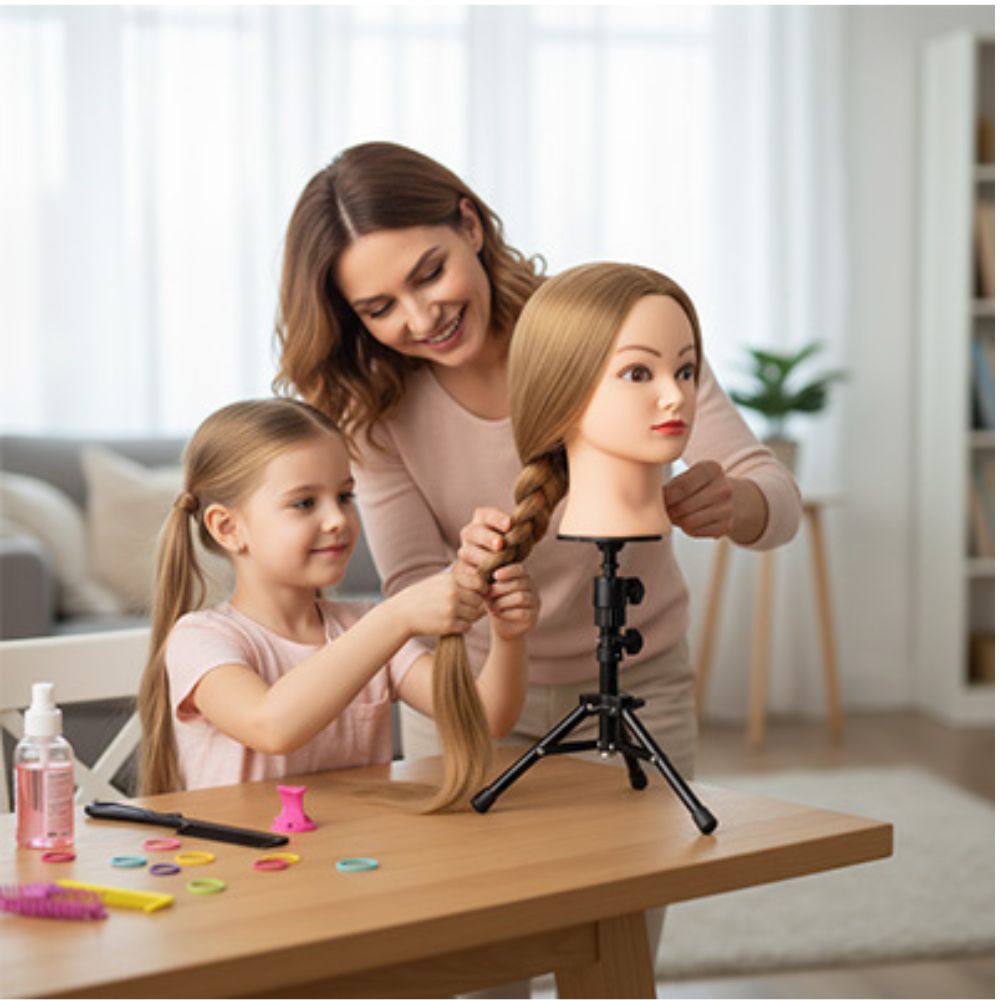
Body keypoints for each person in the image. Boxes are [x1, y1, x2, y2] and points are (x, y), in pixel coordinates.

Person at [273, 141, 801, 788]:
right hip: (470, 695)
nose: (421, 317)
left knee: (635, 886)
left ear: (470, 225)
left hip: (638, 684)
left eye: (430, 273)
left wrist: (735, 503)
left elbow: (774, 496)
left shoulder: (612, 323)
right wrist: (466, 578)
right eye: (379, 309)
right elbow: (412, 586)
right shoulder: (375, 408)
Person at [137, 398, 538, 796]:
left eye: (345, 497)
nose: (337, 520)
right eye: (304, 503)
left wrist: (508, 634)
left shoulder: (364, 626)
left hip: (355, 857)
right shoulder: (201, 639)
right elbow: (271, 726)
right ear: (227, 528)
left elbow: (486, 719)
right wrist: (396, 618)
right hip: (244, 859)